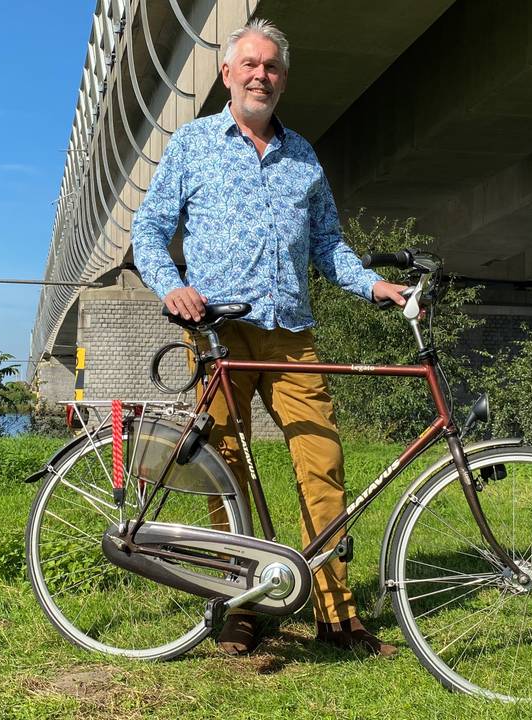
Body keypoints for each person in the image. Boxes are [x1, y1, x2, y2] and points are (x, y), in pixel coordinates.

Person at [131, 19, 407, 657]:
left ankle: (337, 613)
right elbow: (149, 229)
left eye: (272, 67)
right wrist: (171, 286)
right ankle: (239, 605)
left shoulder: (303, 155)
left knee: (322, 462)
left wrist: (373, 285)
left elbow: (328, 245)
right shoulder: (193, 144)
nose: (261, 75)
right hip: (218, 334)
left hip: (291, 334)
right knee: (224, 468)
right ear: (227, 73)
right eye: (250, 65)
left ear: (283, 79)